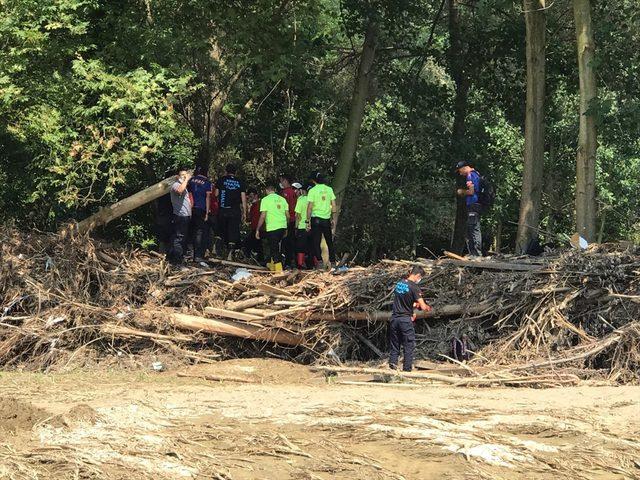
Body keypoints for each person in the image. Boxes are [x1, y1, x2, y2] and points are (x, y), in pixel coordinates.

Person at [389, 266, 431, 372]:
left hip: (394, 319)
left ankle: (392, 367)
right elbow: (423, 306)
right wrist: (427, 308)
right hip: (405, 321)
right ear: (417, 276)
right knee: (409, 345)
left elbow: (403, 300)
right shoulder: (414, 287)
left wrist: (413, 306)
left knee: (395, 344)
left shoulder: (400, 283)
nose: (419, 280)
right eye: (420, 277)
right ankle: (407, 370)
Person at [306, 172, 336, 270]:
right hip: (326, 219)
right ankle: (333, 261)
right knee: (329, 241)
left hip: (316, 219)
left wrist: (307, 221)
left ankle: (319, 261)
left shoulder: (312, 191)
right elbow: (334, 206)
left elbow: (309, 207)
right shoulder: (329, 189)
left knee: (316, 241)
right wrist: (333, 219)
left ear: (314, 180)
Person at [215, 164, 247, 260]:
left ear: (226, 171)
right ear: (235, 172)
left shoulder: (221, 180)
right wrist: (245, 212)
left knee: (221, 230)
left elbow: (216, 194)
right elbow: (243, 198)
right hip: (235, 211)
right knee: (232, 231)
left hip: (223, 209)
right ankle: (230, 254)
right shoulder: (240, 182)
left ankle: (218, 252)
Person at [255, 184, 288, 272]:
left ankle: (279, 271)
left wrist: (258, 229)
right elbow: (287, 215)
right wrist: (286, 227)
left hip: (272, 227)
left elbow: (263, 216)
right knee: (276, 247)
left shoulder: (265, 200)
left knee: (274, 249)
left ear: (266, 191)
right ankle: (272, 266)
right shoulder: (282, 199)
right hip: (282, 226)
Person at [455, 160, 482, 257]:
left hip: (473, 205)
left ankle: (476, 254)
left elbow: (471, 192)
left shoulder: (470, 176)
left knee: (473, 228)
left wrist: (461, 191)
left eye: (460, 170)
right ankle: (473, 253)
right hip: (477, 205)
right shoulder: (476, 174)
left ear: (464, 168)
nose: (460, 172)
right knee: (472, 227)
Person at [188, 165, 213, 264]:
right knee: (199, 232)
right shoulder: (207, 183)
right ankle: (198, 256)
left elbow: (189, 194)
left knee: (191, 230)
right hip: (201, 209)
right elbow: (208, 198)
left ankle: (189, 254)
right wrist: (207, 212)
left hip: (190, 208)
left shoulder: (191, 180)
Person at [167, 170, 193, 266]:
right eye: (182, 175)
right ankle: (177, 261)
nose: (184, 177)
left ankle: (175, 258)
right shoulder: (176, 185)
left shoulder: (184, 186)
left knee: (181, 238)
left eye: (185, 175)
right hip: (180, 215)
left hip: (185, 216)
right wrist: (186, 180)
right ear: (177, 176)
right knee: (179, 238)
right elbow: (179, 190)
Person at [279, 173, 298, 268]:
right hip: (294, 219)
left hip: (288, 220)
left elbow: (285, 208)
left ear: (285, 181)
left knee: (286, 242)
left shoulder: (286, 192)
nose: (280, 182)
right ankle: (292, 261)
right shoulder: (294, 192)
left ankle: (287, 263)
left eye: (281, 180)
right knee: (291, 241)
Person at [294, 183, 312, 269]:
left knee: (300, 247)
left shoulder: (301, 200)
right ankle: (313, 265)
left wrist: (296, 227)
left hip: (302, 226)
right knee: (311, 247)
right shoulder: (313, 199)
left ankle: (300, 265)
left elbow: (297, 215)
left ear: (302, 191)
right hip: (312, 226)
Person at [243, 187, 264, 262]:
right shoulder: (252, 206)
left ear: (256, 196)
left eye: (251, 196)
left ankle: (258, 259)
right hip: (254, 228)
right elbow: (249, 219)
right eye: (249, 196)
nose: (250, 198)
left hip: (260, 228)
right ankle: (259, 259)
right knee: (256, 244)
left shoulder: (261, 204)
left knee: (249, 243)